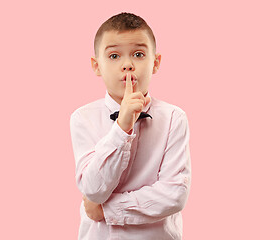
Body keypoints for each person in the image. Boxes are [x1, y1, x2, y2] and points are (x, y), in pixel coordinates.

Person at [70, 12, 191, 240]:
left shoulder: (175, 117)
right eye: (114, 56)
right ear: (97, 66)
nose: (127, 65)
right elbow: (93, 190)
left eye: (138, 54)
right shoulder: (82, 118)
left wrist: (107, 210)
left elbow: (175, 194)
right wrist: (122, 127)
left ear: (155, 62)